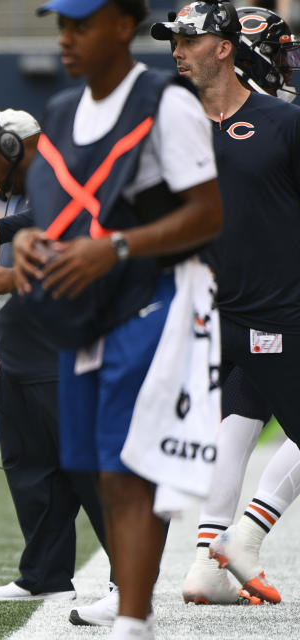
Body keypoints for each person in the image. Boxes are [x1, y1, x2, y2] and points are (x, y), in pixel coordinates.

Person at [11, 1, 225, 638]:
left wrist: (119, 246)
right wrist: (26, 244)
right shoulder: (56, 112)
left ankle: (133, 622)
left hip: (155, 297)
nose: (67, 39)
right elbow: (52, 219)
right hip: (87, 311)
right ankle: (134, 614)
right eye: (62, 26)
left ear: (123, 24)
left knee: (125, 471)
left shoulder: (167, 100)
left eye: (82, 23)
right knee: (96, 469)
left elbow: (208, 214)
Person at [0, 109, 115, 624]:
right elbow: (36, 223)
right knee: (29, 467)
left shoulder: (69, 175)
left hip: (63, 346)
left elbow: (75, 228)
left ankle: (128, 577)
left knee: (85, 464)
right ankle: (45, 574)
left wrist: (7, 259)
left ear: (13, 148)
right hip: (22, 348)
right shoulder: (29, 194)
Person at [150, 2, 300, 605]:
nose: (177, 52)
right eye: (174, 43)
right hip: (233, 311)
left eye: (189, 41)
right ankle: (239, 538)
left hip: (255, 312)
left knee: (236, 418)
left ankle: (210, 562)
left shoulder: (277, 123)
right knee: (204, 429)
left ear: (226, 48)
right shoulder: (175, 121)